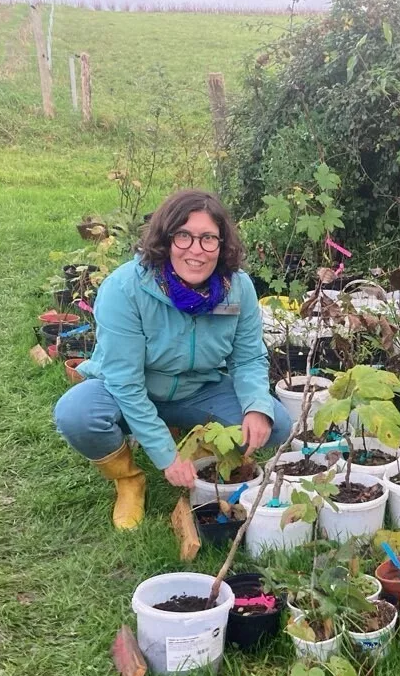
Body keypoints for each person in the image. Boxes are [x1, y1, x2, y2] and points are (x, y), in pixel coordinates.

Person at [53, 189, 292, 529]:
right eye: (184, 236)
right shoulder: (125, 289)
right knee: (76, 414)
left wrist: (256, 405)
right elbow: (126, 383)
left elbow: (249, 356)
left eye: (208, 238)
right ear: (166, 240)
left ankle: (198, 451)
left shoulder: (237, 287)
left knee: (275, 424)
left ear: (222, 244)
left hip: (197, 389)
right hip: (128, 389)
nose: (196, 250)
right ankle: (129, 480)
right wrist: (165, 455)